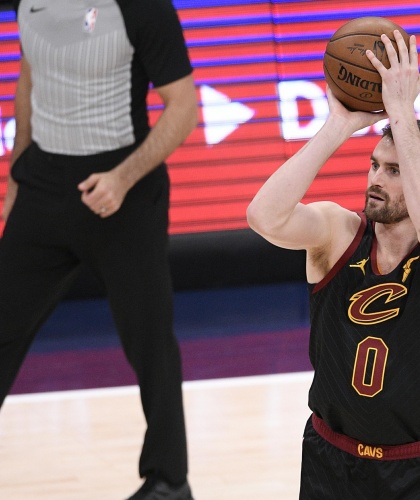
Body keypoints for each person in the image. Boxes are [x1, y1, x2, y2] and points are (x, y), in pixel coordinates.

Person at [247, 29, 420, 499]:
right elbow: (263, 217)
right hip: (332, 459)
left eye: (395, 170)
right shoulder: (338, 234)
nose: (376, 178)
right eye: (375, 164)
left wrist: (402, 112)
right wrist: (337, 126)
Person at [0, 1, 197, 499]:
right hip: (43, 183)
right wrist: (18, 174)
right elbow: (30, 76)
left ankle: (169, 482)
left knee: (149, 340)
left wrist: (123, 178)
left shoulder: (143, 8)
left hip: (122, 187)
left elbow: (183, 107)